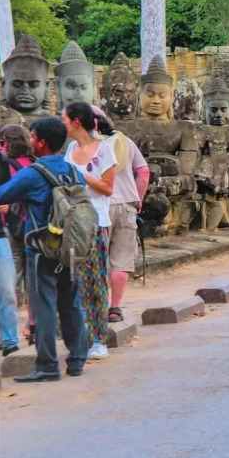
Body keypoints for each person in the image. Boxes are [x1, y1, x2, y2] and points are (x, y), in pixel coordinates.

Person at [0, 117, 88, 381]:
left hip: (41, 249)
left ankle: (48, 365)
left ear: (42, 142)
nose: (30, 141)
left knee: (44, 305)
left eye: (33, 136)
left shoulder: (33, 173)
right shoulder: (73, 171)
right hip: (71, 246)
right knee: (71, 303)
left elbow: (2, 195)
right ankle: (77, 359)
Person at [61, 102, 116, 360]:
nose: (62, 124)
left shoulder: (104, 149)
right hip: (71, 223)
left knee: (97, 282)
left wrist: (82, 177)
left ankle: (99, 339)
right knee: (75, 282)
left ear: (76, 121)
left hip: (95, 223)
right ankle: (80, 337)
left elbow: (108, 188)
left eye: (64, 119)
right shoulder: (70, 148)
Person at [94, 109, 148, 322]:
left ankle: (96, 306)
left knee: (96, 259)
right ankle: (115, 308)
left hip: (99, 207)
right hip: (126, 206)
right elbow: (143, 172)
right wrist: (138, 198)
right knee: (121, 260)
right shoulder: (125, 142)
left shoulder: (87, 146)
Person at [0, 125, 34, 344]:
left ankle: (6, 332)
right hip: (33, 226)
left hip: (10, 226)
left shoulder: (5, 163)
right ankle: (32, 325)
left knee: (9, 281)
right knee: (34, 280)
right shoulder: (34, 163)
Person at [0, 138, 19, 356]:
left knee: (7, 289)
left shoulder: (1, 159)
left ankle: (10, 342)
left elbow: (9, 192)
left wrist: (8, 203)